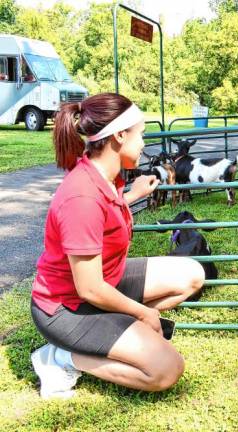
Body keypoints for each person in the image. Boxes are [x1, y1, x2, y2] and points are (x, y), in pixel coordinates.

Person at [30, 93, 205, 399]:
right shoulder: (80, 196)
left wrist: (133, 196)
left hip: (105, 280)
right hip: (67, 307)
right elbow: (89, 289)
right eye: (141, 135)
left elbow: (101, 217)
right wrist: (142, 314)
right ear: (120, 135)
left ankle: (118, 331)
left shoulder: (106, 177)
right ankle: (60, 358)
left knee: (192, 274)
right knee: (167, 369)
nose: (144, 144)